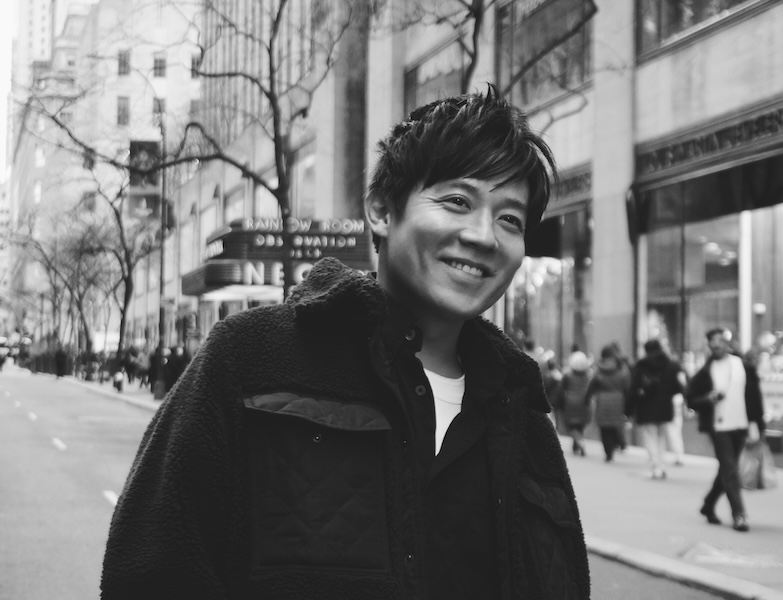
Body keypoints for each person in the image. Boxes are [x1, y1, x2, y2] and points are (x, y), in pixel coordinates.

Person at [101, 86, 590, 600]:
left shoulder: (522, 411)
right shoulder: (247, 360)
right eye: (457, 202)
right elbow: (152, 571)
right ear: (381, 210)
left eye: (509, 219)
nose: (484, 235)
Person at [686, 327, 765, 533]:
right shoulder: (706, 372)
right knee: (730, 469)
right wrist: (707, 398)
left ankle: (708, 504)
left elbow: (755, 397)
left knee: (727, 469)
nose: (717, 345)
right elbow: (690, 398)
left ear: (727, 343)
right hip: (719, 426)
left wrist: (757, 424)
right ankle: (739, 515)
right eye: (713, 342)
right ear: (709, 345)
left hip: (742, 425)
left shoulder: (742, 365)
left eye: (720, 341)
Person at [627, 339, 683, 480]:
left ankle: (656, 466)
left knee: (650, 437)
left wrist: (628, 410)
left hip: (646, 406)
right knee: (661, 437)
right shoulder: (671, 365)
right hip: (665, 406)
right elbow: (678, 387)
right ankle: (661, 465)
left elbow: (633, 390)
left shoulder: (641, 366)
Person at [589, 344, 631, 462]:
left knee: (604, 427)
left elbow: (592, 385)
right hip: (618, 399)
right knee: (615, 424)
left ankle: (608, 452)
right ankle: (615, 445)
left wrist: (587, 397)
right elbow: (627, 387)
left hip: (602, 399)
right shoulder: (621, 368)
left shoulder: (599, 369)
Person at [553, 350, 593, 456]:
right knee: (580, 425)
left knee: (571, 426)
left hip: (570, 403)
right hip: (585, 402)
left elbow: (561, 389)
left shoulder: (568, 375)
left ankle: (579, 441)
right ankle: (576, 445)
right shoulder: (589, 375)